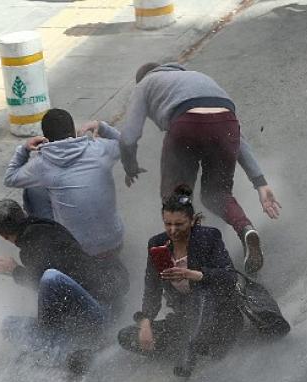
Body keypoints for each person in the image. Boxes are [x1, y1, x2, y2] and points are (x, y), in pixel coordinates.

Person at [118, 62, 281, 274]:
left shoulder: (145, 83)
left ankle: (188, 260)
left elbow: (128, 136)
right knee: (217, 193)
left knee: (175, 198)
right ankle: (246, 230)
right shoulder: (198, 78)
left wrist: (130, 166)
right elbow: (237, 136)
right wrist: (260, 182)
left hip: (186, 124)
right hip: (226, 122)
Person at [0, 199, 129, 374]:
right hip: (107, 303)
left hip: (99, 314)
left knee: (50, 280)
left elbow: (47, 290)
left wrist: (15, 270)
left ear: (2, 235)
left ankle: (67, 354)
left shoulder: (31, 246)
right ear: (23, 212)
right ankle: (76, 345)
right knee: (9, 324)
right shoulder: (48, 225)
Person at [117, 184, 244, 377]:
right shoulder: (157, 244)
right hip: (185, 319)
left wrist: (194, 274)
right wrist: (145, 322)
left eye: (179, 224)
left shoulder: (209, 237)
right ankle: (189, 346)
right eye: (168, 224)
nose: (173, 230)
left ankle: (191, 351)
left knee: (202, 293)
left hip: (219, 315)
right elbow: (152, 288)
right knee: (126, 336)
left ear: (192, 221)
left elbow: (229, 276)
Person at [3, 108, 125, 259]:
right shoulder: (99, 149)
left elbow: (10, 177)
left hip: (77, 253)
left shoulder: (42, 164)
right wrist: (102, 127)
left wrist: (24, 149)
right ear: (74, 131)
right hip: (114, 243)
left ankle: (48, 246)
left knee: (33, 191)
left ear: (46, 138)